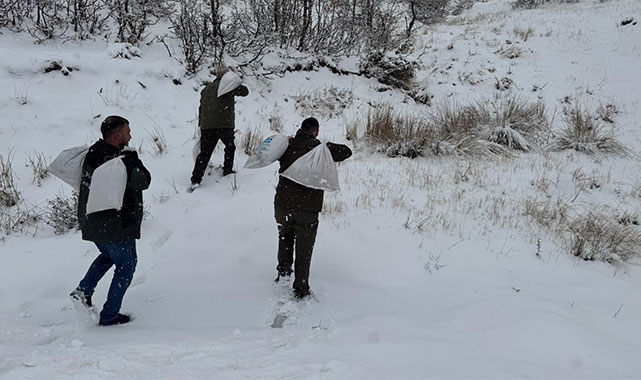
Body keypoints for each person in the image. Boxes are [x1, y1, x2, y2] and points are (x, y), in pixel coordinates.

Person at [70, 115, 151, 326]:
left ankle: (83, 291)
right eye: (127, 132)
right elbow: (143, 181)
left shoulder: (94, 153)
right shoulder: (120, 161)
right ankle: (110, 315)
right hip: (115, 224)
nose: (130, 135)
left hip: (92, 220)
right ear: (117, 135)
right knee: (127, 266)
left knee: (107, 255)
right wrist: (134, 161)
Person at [274, 117, 352, 299]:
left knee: (285, 236)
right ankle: (300, 288)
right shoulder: (321, 149)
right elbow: (346, 152)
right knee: (304, 247)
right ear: (316, 131)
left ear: (300, 129)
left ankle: (284, 272)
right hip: (307, 209)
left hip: (282, 204)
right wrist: (325, 144)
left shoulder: (287, 145)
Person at [189, 66, 249, 191]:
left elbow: (201, 108)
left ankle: (195, 179)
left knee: (204, 153)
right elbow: (245, 91)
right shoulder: (228, 87)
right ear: (226, 76)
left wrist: (201, 124)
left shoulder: (205, 90)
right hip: (224, 125)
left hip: (207, 126)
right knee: (230, 147)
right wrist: (236, 82)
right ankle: (227, 171)